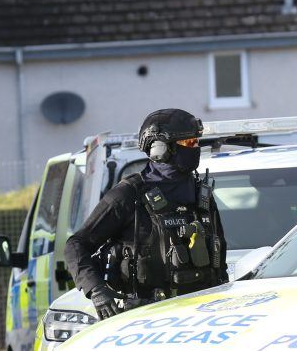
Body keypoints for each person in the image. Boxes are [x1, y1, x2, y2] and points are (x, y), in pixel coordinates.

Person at [65, 108, 228, 319]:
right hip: (147, 319)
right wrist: (96, 290)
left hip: (203, 315)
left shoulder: (201, 194)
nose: (196, 148)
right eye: (189, 143)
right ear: (160, 148)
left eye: (197, 141)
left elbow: (220, 255)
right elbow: (76, 245)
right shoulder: (129, 194)